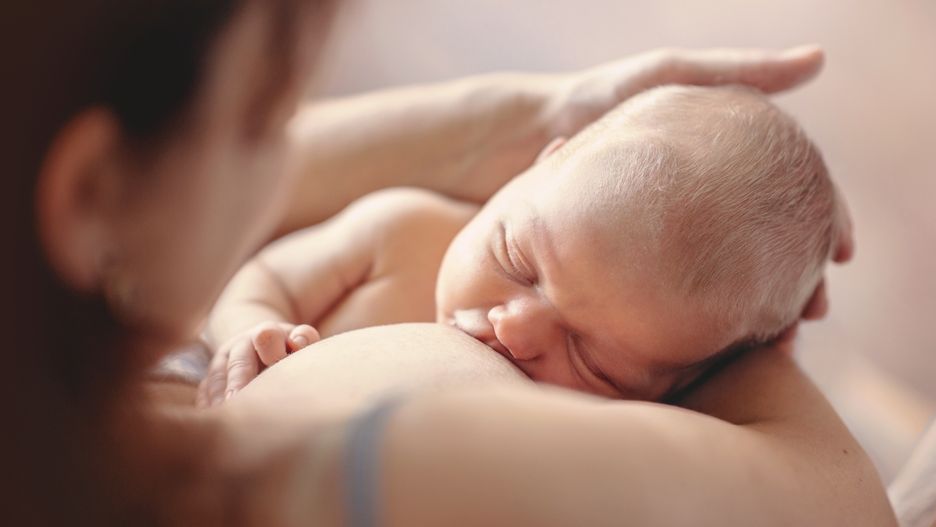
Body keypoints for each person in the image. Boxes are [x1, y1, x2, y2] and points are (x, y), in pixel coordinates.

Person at [1, 0, 895, 525]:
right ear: (95, 194)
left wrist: (732, 240)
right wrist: (744, 344)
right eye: (273, 121)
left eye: (598, 359)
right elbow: (844, 500)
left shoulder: (82, 377)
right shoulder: (393, 443)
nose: (514, 323)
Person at [202, 84, 845, 404]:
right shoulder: (401, 232)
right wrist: (250, 331)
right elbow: (265, 277)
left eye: (595, 362)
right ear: (537, 165)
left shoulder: (616, 425)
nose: (514, 328)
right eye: (517, 261)